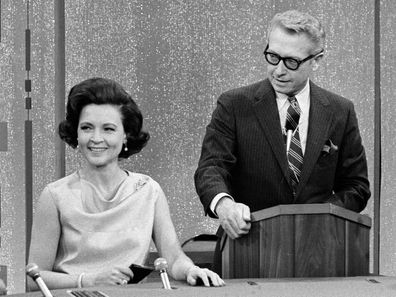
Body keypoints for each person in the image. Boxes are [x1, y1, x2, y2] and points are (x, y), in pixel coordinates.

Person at [28, 77, 225, 290]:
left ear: (126, 136)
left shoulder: (148, 190)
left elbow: (174, 259)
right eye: (86, 128)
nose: (96, 138)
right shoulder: (54, 196)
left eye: (108, 129)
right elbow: (33, 279)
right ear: (76, 133)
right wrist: (87, 281)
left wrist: (191, 270)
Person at [194, 10, 370, 242]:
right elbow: (211, 168)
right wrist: (225, 206)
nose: (278, 70)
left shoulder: (340, 111)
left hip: (318, 249)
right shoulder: (234, 105)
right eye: (273, 56)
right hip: (246, 247)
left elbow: (357, 186)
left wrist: (317, 216)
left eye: (291, 62)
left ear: (317, 59)